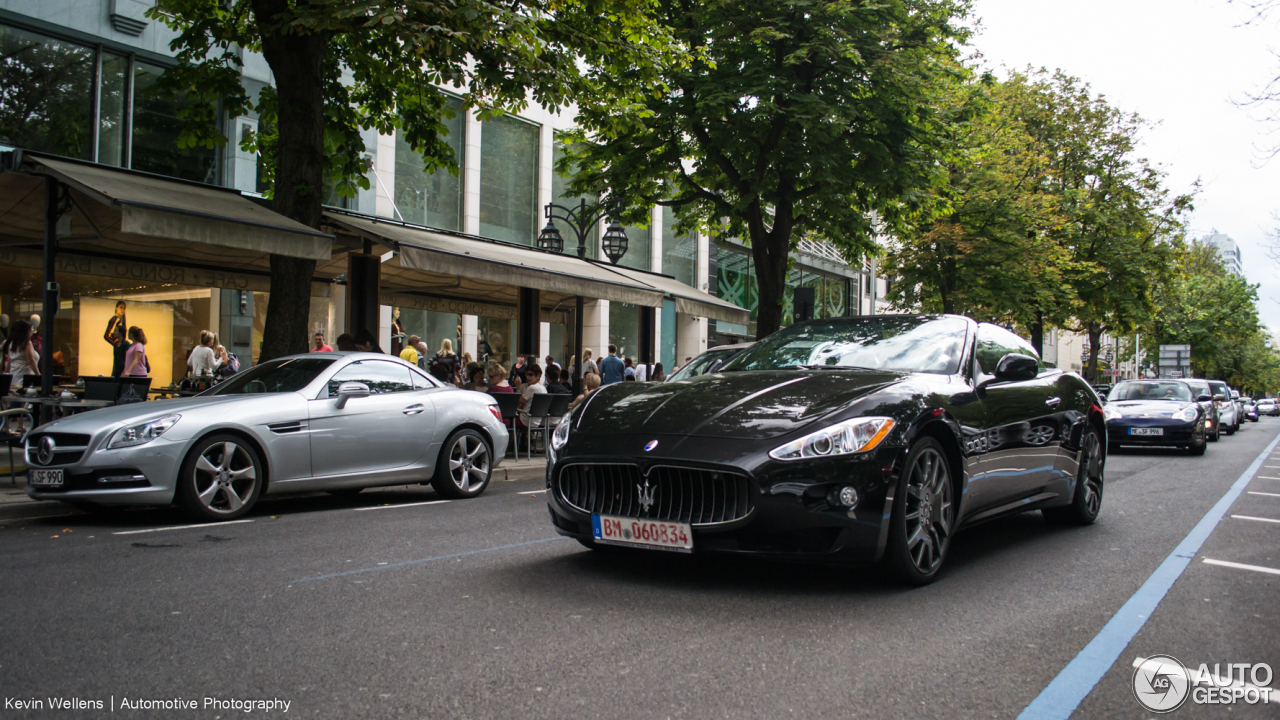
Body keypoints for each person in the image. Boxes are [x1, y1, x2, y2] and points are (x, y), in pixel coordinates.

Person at [1, 319, 39, 388]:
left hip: (13, 378)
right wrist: (39, 376)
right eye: (31, 328)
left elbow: (9, 362)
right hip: (24, 378)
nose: (32, 330)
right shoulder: (27, 343)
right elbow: (31, 361)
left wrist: (6, 377)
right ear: (26, 330)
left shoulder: (12, 343)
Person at [518, 363, 547, 433]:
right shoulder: (544, 388)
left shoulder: (532, 388)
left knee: (508, 421)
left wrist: (518, 387)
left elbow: (518, 401)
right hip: (538, 420)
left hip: (526, 420)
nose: (527, 377)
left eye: (530, 375)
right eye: (526, 374)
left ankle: (513, 443)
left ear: (538, 376)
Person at [105, 300, 128, 377]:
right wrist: (115, 343)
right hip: (119, 348)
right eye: (121, 307)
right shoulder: (115, 319)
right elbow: (106, 335)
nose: (122, 310)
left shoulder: (122, 319)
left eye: (124, 308)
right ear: (116, 308)